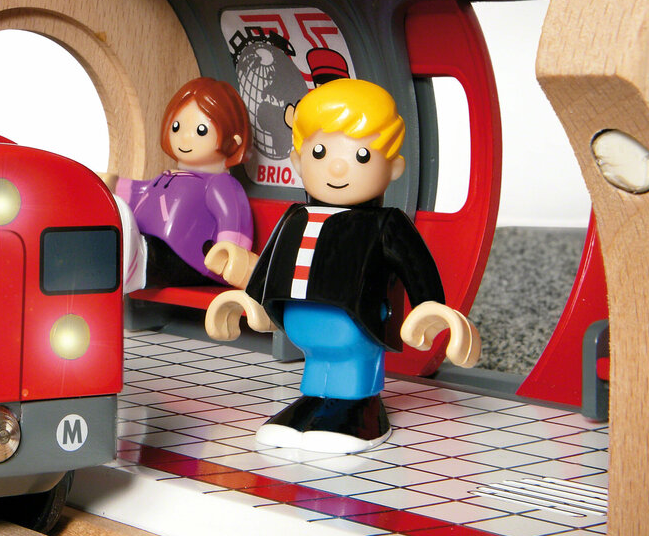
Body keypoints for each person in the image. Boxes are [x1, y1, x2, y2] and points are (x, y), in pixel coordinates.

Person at [204, 78, 479, 451]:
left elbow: (416, 267)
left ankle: (361, 409)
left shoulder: (385, 224)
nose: (336, 167)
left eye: (361, 156)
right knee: (318, 370)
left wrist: (429, 306)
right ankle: (312, 403)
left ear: (393, 167)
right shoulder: (294, 217)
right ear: (298, 161)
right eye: (319, 152)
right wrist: (250, 300)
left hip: (357, 323)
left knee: (351, 367)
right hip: (303, 324)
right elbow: (270, 266)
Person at [116, 78, 253, 291]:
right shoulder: (167, 176)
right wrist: (110, 184)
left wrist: (230, 254)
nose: (185, 138)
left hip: (188, 261)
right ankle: (122, 258)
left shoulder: (219, 184)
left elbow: (232, 217)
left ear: (233, 140)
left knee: (126, 252)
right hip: (148, 244)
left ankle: (126, 264)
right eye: (177, 127)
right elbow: (140, 191)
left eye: (201, 130)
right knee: (117, 235)